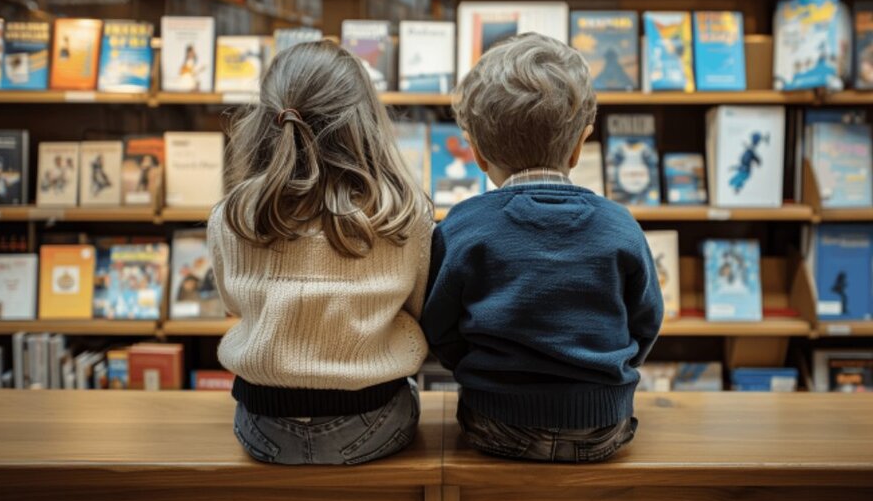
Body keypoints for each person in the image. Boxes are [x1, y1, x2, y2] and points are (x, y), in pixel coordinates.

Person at [421, 33, 664, 463]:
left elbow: (439, 327)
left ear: (476, 153)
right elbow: (645, 323)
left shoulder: (461, 226)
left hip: (496, 422)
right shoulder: (620, 226)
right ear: (578, 145)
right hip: (602, 426)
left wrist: (482, 373)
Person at [208, 40, 433, 465]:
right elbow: (416, 305)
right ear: (364, 120)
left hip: (263, 423)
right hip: (371, 419)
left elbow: (231, 302)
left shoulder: (232, 216)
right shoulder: (403, 214)